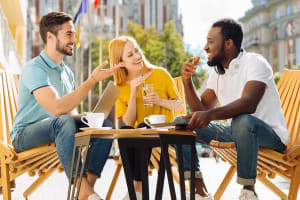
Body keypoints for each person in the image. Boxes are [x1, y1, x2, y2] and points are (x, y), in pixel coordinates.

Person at [175, 18, 289, 200]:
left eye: (211, 42)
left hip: (270, 137)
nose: (205, 47)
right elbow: (201, 110)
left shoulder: (255, 63)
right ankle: (199, 190)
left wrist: (211, 114)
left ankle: (248, 191)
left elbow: (249, 103)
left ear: (228, 44)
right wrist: (187, 82)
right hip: (236, 133)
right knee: (182, 123)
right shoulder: (218, 74)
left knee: (242, 120)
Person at [11, 12, 119, 200]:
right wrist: (91, 80)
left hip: (58, 128)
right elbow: (57, 109)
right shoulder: (34, 68)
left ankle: (85, 191)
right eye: (69, 34)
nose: (74, 40)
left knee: (105, 127)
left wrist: (88, 120)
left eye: (74, 34)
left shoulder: (66, 72)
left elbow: (69, 113)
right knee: (62, 122)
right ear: (50, 37)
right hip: (25, 135)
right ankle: (85, 191)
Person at [108, 36, 183, 199]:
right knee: (126, 130)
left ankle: (137, 190)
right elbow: (128, 122)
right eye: (130, 55)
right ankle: (137, 191)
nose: (137, 56)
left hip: (165, 133)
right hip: (140, 138)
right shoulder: (120, 87)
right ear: (120, 62)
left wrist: (160, 101)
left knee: (142, 127)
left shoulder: (160, 74)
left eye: (136, 50)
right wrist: (133, 91)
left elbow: (179, 106)